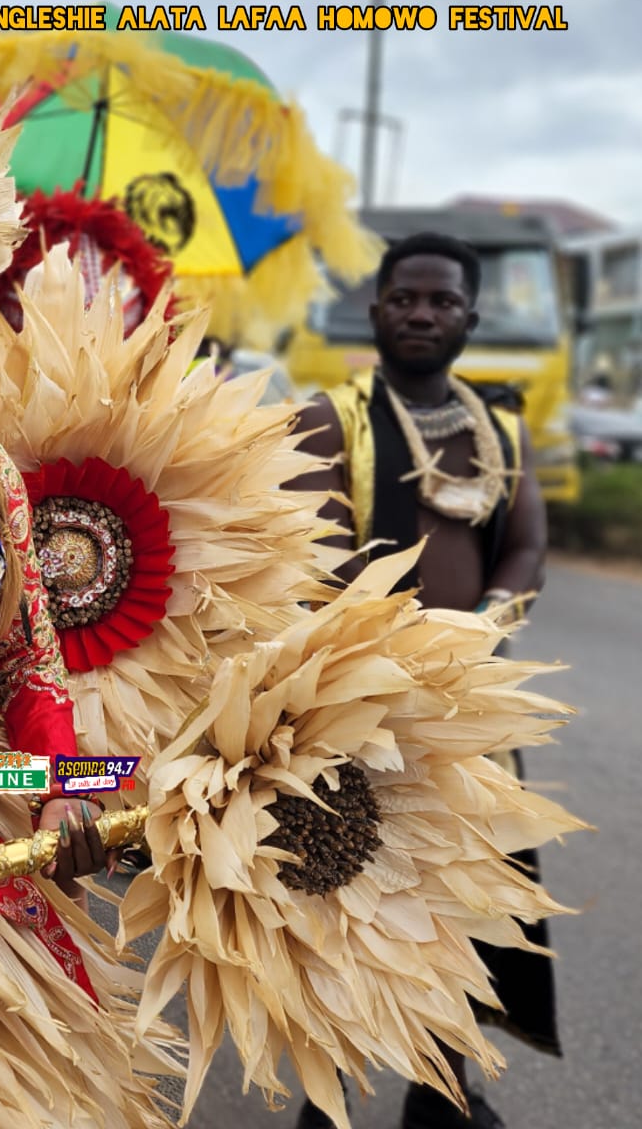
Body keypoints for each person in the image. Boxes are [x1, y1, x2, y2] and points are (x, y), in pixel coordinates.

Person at [288, 232, 555, 1129]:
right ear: (376, 310)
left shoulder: (501, 432)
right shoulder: (335, 418)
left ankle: (442, 1084)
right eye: (405, 297)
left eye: (442, 301)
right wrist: (374, 654)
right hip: (354, 704)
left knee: (462, 896)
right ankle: (328, 1098)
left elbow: (522, 546)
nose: (422, 313)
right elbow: (309, 558)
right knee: (344, 902)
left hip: (469, 706)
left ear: (469, 319)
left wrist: (485, 627)